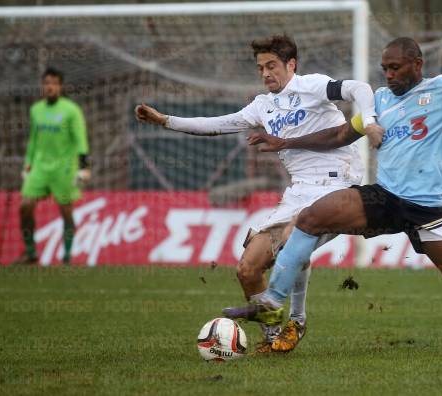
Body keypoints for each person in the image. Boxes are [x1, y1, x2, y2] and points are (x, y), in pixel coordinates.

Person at [223, 37, 442, 356]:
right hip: (385, 198)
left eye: (395, 68)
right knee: (309, 217)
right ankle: (272, 302)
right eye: (385, 69)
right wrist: (287, 142)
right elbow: (340, 134)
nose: (389, 75)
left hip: (428, 209)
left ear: (417, 64)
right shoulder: (379, 100)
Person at [134, 34, 383, 353]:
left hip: (337, 184)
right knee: (247, 269)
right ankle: (273, 335)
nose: (266, 73)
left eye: (272, 66)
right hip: (298, 192)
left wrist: (370, 120)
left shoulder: (313, 85)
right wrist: (166, 121)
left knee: (294, 241)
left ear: (291, 64)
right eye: (261, 68)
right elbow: (215, 124)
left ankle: (296, 320)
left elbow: (359, 89)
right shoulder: (262, 106)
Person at [13, 67, 91, 266]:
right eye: (47, 83)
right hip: (39, 167)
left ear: (60, 86)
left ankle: (66, 256)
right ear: (43, 85)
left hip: (64, 168)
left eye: (54, 83)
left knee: (66, 211)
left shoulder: (71, 110)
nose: (50, 87)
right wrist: (27, 164)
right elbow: (33, 140)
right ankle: (31, 253)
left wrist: (83, 167)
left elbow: (80, 140)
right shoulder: (36, 110)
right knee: (25, 206)